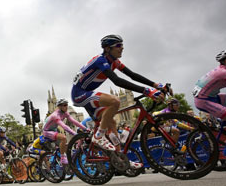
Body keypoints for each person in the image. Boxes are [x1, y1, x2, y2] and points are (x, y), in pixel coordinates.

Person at [71, 34, 167, 169]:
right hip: (79, 94)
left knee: (112, 122)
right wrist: (146, 91)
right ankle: (98, 137)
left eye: (122, 45)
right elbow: (116, 81)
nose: (122, 48)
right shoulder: (100, 60)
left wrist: (155, 85)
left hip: (87, 94)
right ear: (107, 48)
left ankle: (121, 158)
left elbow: (132, 75)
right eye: (118, 46)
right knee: (114, 101)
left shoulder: (115, 62)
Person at [42, 98, 89, 165]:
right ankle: (62, 158)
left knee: (66, 144)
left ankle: (67, 159)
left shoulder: (65, 113)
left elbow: (74, 121)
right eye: (64, 105)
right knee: (63, 137)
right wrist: (75, 134)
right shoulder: (55, 115)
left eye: (66, 105)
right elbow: (64, 127)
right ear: (59, 106)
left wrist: (85, 129)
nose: (66, 107)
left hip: (54, 130)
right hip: (47, 131)